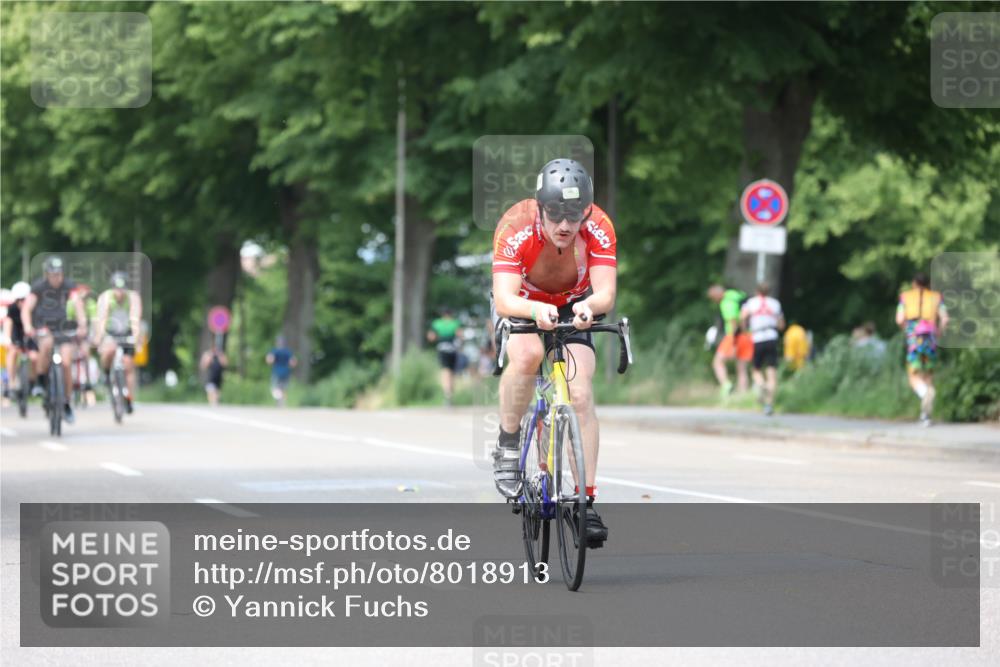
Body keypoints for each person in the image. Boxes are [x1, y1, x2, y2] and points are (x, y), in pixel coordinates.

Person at [490, 157, 616, 547]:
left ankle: (584, 502)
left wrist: (588, 308)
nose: (565, 225)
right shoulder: (515, 225)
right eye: (556, 215)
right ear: (540, 208)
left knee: (579, 393)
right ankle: (509, 443)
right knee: (526, 355)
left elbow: (606, 292)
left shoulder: (599, 227)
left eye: (574, 216)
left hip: (575, 304)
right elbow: (503, 297)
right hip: (524, 301)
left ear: (587, 211)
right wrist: (532, 310)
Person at [21, 257, 87, 424]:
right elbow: (27, 309)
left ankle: (66, 402)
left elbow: (77, 304)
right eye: (53, 274)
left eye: (58, 274)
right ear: (47, 274)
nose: (56, 278)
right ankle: (41, 381)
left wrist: (82, 325)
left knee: (66, 362)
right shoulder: (38, 287)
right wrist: (28, 326)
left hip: (64, 328)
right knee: (46, 345)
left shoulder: (69, 285)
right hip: (44, 326)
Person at [896, 272, 948, 426]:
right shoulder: (937, 297)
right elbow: (945, 318)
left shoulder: (905, 297)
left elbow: (899, 319)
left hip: (914, 339)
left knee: (913, 374)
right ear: (928, 284)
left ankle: (925, 393)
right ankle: (925, 416)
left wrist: (907, 330)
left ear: (914, 283)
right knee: (927, 374)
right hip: (930, 339)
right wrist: (938, 331)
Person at [94, 272, 143, 414]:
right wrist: (99, 337)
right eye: (116, 289)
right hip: (110, 331)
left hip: (127, 331)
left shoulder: (133, 297)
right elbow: (102, 318)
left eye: (122, 289)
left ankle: (129, 397)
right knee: (108, 351)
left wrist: (136, 337)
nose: (119, 293)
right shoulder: (106, 297)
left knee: (128, 364)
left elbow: (135, 318)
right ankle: (107, 373)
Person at [740, 282, 785, 416]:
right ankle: (769, 404)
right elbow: (781, 324)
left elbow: (742, 317)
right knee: (772, 372)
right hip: (772, 337)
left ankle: (761, 385)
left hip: (757, 337)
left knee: (756, 370)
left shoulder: (751, 303)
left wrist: (745, 330)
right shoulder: (775, 303)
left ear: (756, 291)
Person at [707, 284, 752, 397]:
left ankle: (726, 385)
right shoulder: (736, 295)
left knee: (717, 362)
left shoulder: (726, 302)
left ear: (718, 294)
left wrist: (733, 343)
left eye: (713, 298)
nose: (714, 301)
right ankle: (743, 395)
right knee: (742, 368)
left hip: (734, 336)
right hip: (747, 334)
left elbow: (733, 321)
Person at [68, 283, 99, 407]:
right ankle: (70, 381)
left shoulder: (91, 304)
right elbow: (68, 320)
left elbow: (95, 321)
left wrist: (95, 337)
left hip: (86, 329)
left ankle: (87, 382)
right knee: (70, 353)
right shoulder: (70, 303)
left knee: (86, 352)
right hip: (72, 328)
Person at [2, 282, 33, 403]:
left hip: (30, 333)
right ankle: (11, 381)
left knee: (35, 355)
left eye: (24, 299)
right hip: (17, 334)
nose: (22, 302)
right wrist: (8, 338)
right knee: (12, 351)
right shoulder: (12, 308)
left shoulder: (33, 307)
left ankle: (33, 381)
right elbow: (8, 323)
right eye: (19, 299)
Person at [426, 308, 462, 405]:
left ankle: (447, 394)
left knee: (445, 372)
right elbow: (460, 335)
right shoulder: (455, 323)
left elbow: (431, 337)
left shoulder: (437, 323)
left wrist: (439, 336)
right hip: (453, 350)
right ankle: (450, 393)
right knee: (452, 373)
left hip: (442, 349)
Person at [266, 335, 297, 406]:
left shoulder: (274, 351)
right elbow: (293, 362)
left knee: (274, 388)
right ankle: (283, 402)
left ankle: (279, 400)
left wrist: (270, 361)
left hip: (276, 372)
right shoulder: (288, 352)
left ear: (277, 343)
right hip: (286, 372)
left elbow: (270, 360)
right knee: (284, 388)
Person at [200, 342, 228, 406]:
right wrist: (209, 356)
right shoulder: (209, 355)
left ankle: (215, 403)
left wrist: (220, 355)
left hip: (218, 377)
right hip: (211, 377)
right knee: (211, 391)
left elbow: (225, 364)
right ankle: (213, 403)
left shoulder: (220, 355)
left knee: (217, 392)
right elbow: (204, 365)